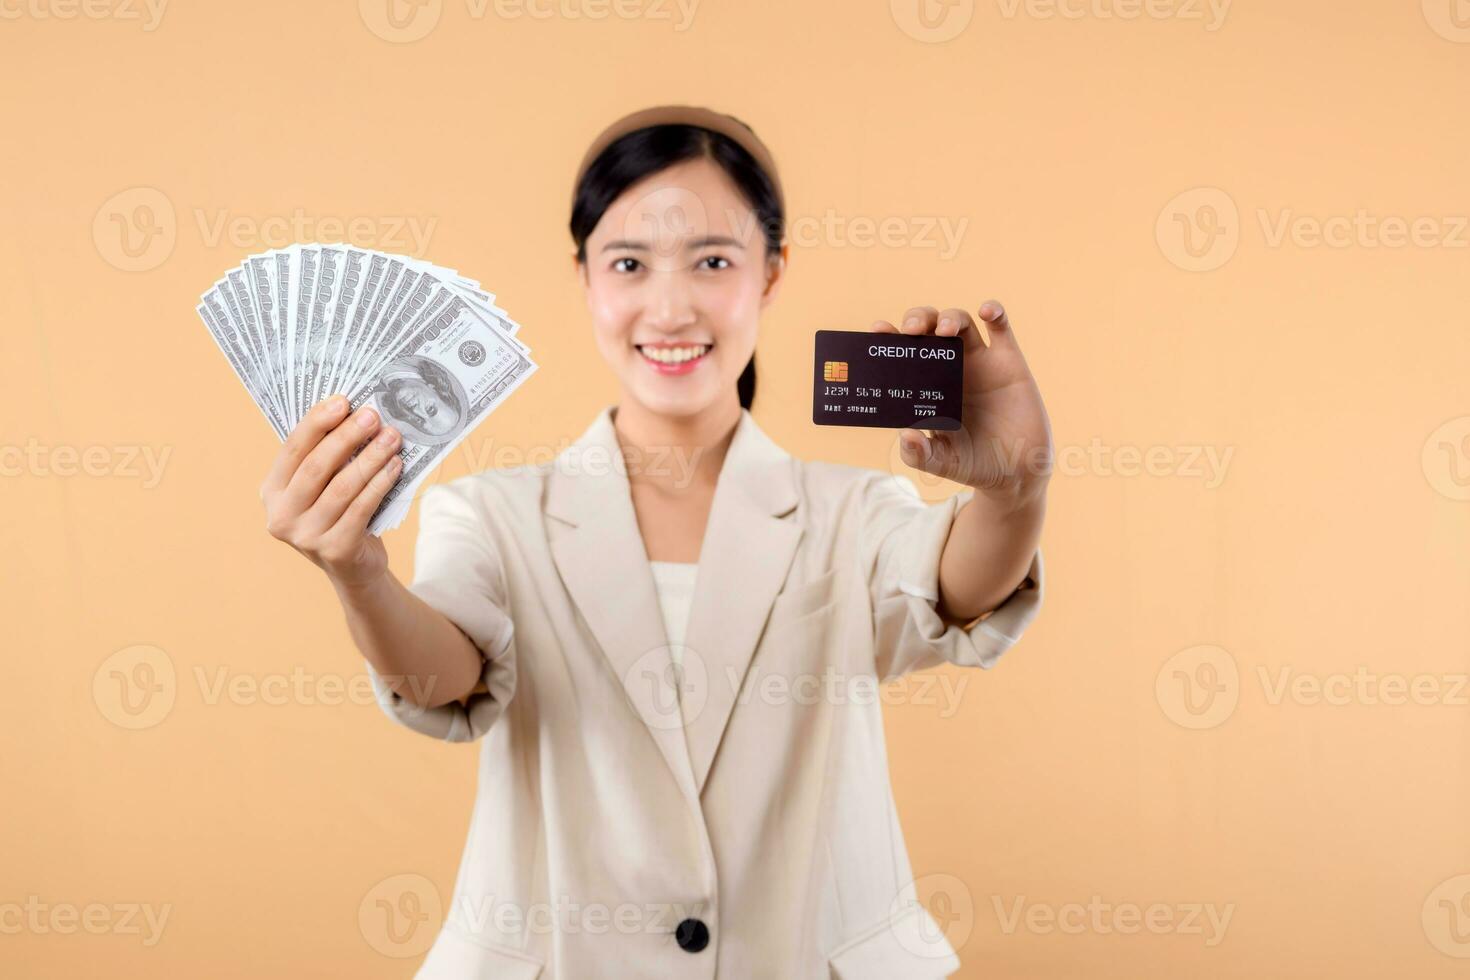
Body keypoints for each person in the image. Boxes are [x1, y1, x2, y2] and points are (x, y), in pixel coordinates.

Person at [258, 104, 1051, 979]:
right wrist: (359, 574)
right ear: (585, 275)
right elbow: (450, 678)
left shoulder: (853, 511)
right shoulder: (490, 514)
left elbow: (951, 589)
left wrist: (1016, 489)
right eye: (629, 263)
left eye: (713, 261)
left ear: (773, 273)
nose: (670, 309)